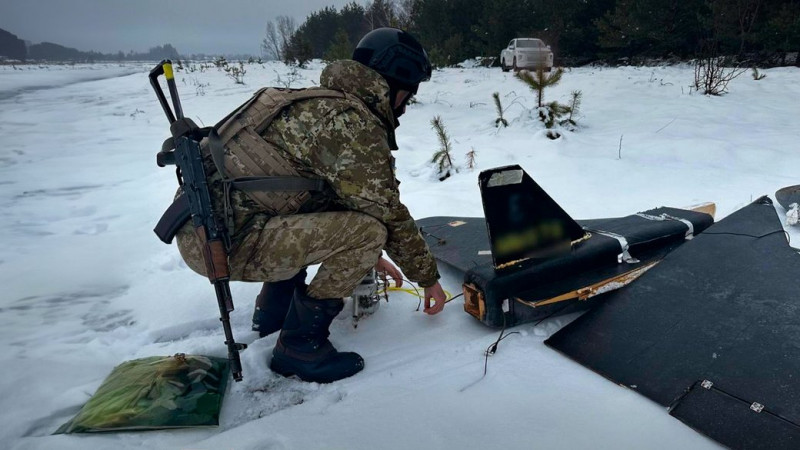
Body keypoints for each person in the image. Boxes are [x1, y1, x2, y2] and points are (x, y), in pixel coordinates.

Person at [175, 28, 446, 384]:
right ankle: (300, 346)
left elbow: (327, 194)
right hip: (222, 244)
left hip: (205, 229)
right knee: (369, 232)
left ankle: (274, 312)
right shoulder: (349, 123)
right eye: (407, 95)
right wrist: (427, 278)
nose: (405, 106)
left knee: (341, 222)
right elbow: (386, 211)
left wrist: (370, 256)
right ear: (393, 83)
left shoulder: (309, 102)